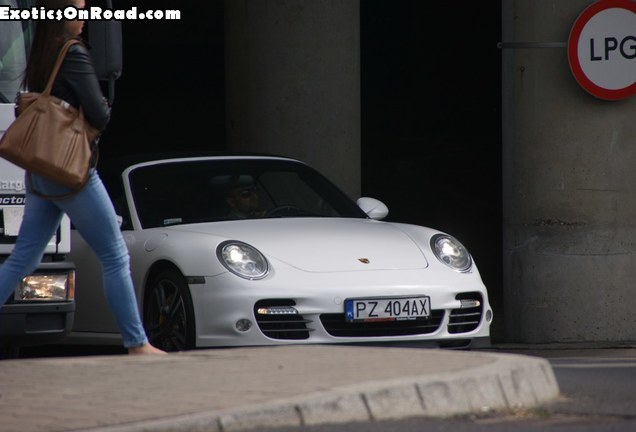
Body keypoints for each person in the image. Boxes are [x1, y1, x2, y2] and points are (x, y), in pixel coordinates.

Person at [0, 0, 164, 355]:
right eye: (78, 9)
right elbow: (100, 114)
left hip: (41, 171)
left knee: (23, 259)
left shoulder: (40, 54)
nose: (85, 17)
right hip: (70, 171)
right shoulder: (72, 53)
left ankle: (137, 343)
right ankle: (137, 344)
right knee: (116, 255)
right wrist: (102, 105)